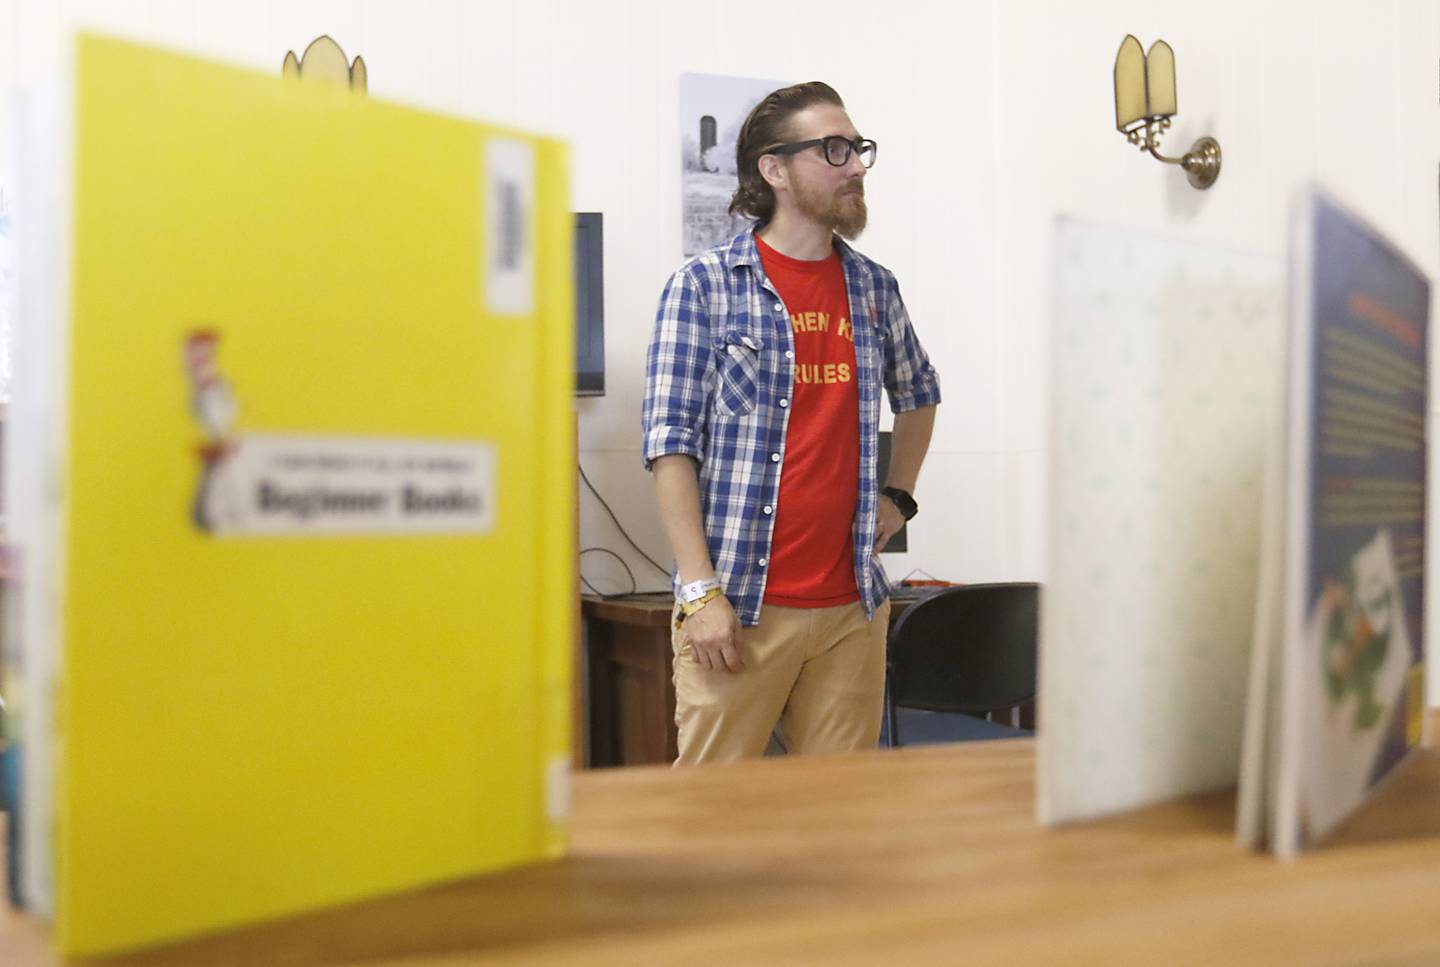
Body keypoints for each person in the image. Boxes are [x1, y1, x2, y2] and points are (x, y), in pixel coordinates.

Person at [642, 81, 941, 764]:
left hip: (851, 611)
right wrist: (699, 591)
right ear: (773, 169)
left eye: (859, 149)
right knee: (715, 820)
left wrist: (898, 495)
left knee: (836, 824)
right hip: (738, 607)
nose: (857, 166)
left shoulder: (873, 287)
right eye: (835, 150)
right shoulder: (704, 287)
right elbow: (670, 446)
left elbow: (920, 393)